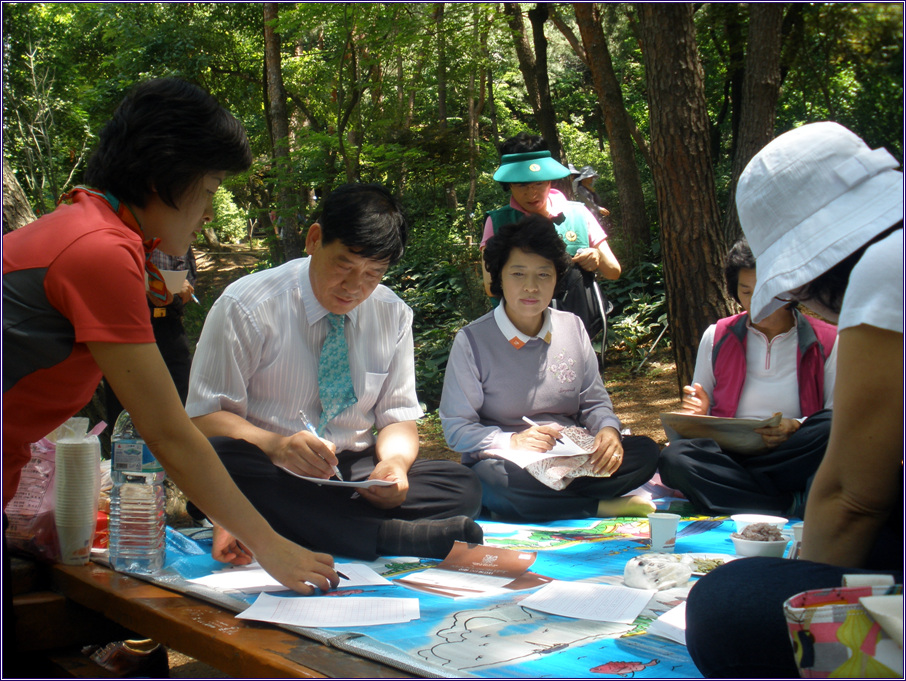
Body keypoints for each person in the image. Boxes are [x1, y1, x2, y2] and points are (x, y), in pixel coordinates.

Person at [2, 79, 341, 676]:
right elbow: (167, 429)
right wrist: (272, 546)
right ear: (163, 179)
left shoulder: (87, 225)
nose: (209, 210)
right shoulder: (100, 250)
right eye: (208, 190)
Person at [685, 122, 903, 678]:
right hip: (748, 455)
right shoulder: (721, 336)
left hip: (804, 449)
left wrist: (802, 582)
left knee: (726, 602)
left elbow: (854, 497)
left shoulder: (885, 268)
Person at [185, 183, 483, 563]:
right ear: (314, 239)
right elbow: (204, 418)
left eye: (373, 274)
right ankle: (390, 536)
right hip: (269, 465)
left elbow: (398, 417)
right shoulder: (247, 306)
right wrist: (277, 445)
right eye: (344, 266)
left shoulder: (392, 314)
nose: (354, 287)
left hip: (351, 471)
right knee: (221, 460)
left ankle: (279, 523)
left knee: (461, 484)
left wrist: (394, 465)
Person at [440, 215, 659, 522]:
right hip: (511, 462)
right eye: (518, 274)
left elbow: (594, 401)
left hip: (572, 456)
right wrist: (512, 441)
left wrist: (608, 431)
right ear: (499, 277)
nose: (531, 287)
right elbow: (457, 428)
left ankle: (541, 504)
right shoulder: (473, 341)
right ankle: (597, 506)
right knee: (491, 482)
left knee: (645, 452)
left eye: (544, 275)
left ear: (557, 277)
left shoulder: (572, 327)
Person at [658, 238, 837, 517]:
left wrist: (794, 427)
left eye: (769, 290)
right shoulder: (717, 335)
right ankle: (784, 504)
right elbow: (699, 413)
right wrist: (699, 413)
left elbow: (836, 415)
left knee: (830, 427)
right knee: (674, 460)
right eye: (747, 292)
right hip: (731, 457)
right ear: (735, 293)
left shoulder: (827, 339)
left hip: (791, 455)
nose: (760, 302)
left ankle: (734, 496)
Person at [480, 134, 621, 343]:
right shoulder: (498, 221)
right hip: (519, 337)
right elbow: (491, 287)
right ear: (509, 185)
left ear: (549, 179)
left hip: (577, 333)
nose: (532, 193)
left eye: (538, 183)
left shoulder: (578, 214)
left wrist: (595, 255)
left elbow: (613, 271)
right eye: (521, 185)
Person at [105, 245, 198, 424]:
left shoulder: (178, 237)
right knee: (124, 403)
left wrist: (176, 295)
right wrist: (149, 288)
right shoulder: (121, 239)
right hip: (128, 328)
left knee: (181, 393)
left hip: (169, 325)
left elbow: (188, 283)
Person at [570, 165, 612, 229]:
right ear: (584, 178)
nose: (592, 178)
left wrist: (593, 192)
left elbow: (598, 201)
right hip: (586, 217)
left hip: (594, 216)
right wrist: (599, 209)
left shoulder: (589, 189)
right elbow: (588, 202)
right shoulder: (580, 189)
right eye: (590, 177)